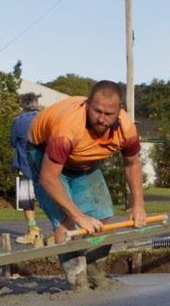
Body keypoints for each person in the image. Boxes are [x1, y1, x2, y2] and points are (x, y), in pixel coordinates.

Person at [26, 80, 147, 289]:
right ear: (88, 104)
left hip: (82, 162)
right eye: (97, 111)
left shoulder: (126, 128)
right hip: (43, 154)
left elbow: (132, 163)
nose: (101, 119)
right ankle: (76, 279)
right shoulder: (68, 128)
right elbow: (48, 178)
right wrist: (78, 216)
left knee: (101, 216)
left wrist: (138, 205)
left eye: (108, 114)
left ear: (119, 112)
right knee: (66, 222)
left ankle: (94, 271)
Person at [10, 92, 43, 245]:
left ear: (23, 105)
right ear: (36, 103)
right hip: (46, 165)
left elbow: (12, 142)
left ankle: (33, 231)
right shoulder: (45, 117)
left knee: (26, 201)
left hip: (25, 164)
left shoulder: (19, 121)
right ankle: (63, 229)